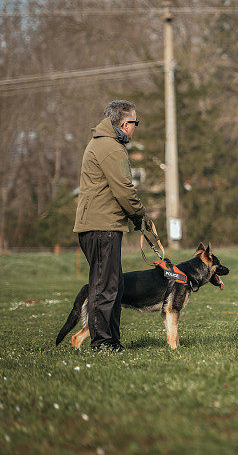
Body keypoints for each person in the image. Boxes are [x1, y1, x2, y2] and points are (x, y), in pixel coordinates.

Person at [73, 100, 147, 351]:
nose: (135, 127)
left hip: (97, 225)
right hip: (102, 226)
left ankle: (110, 340)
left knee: (109, 283)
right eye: (135, 123)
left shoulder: (101, 142)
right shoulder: (111, 148)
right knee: (106, 286)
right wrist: (140, 216)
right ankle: (104, 343)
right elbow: (124, 190)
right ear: (125, 124)